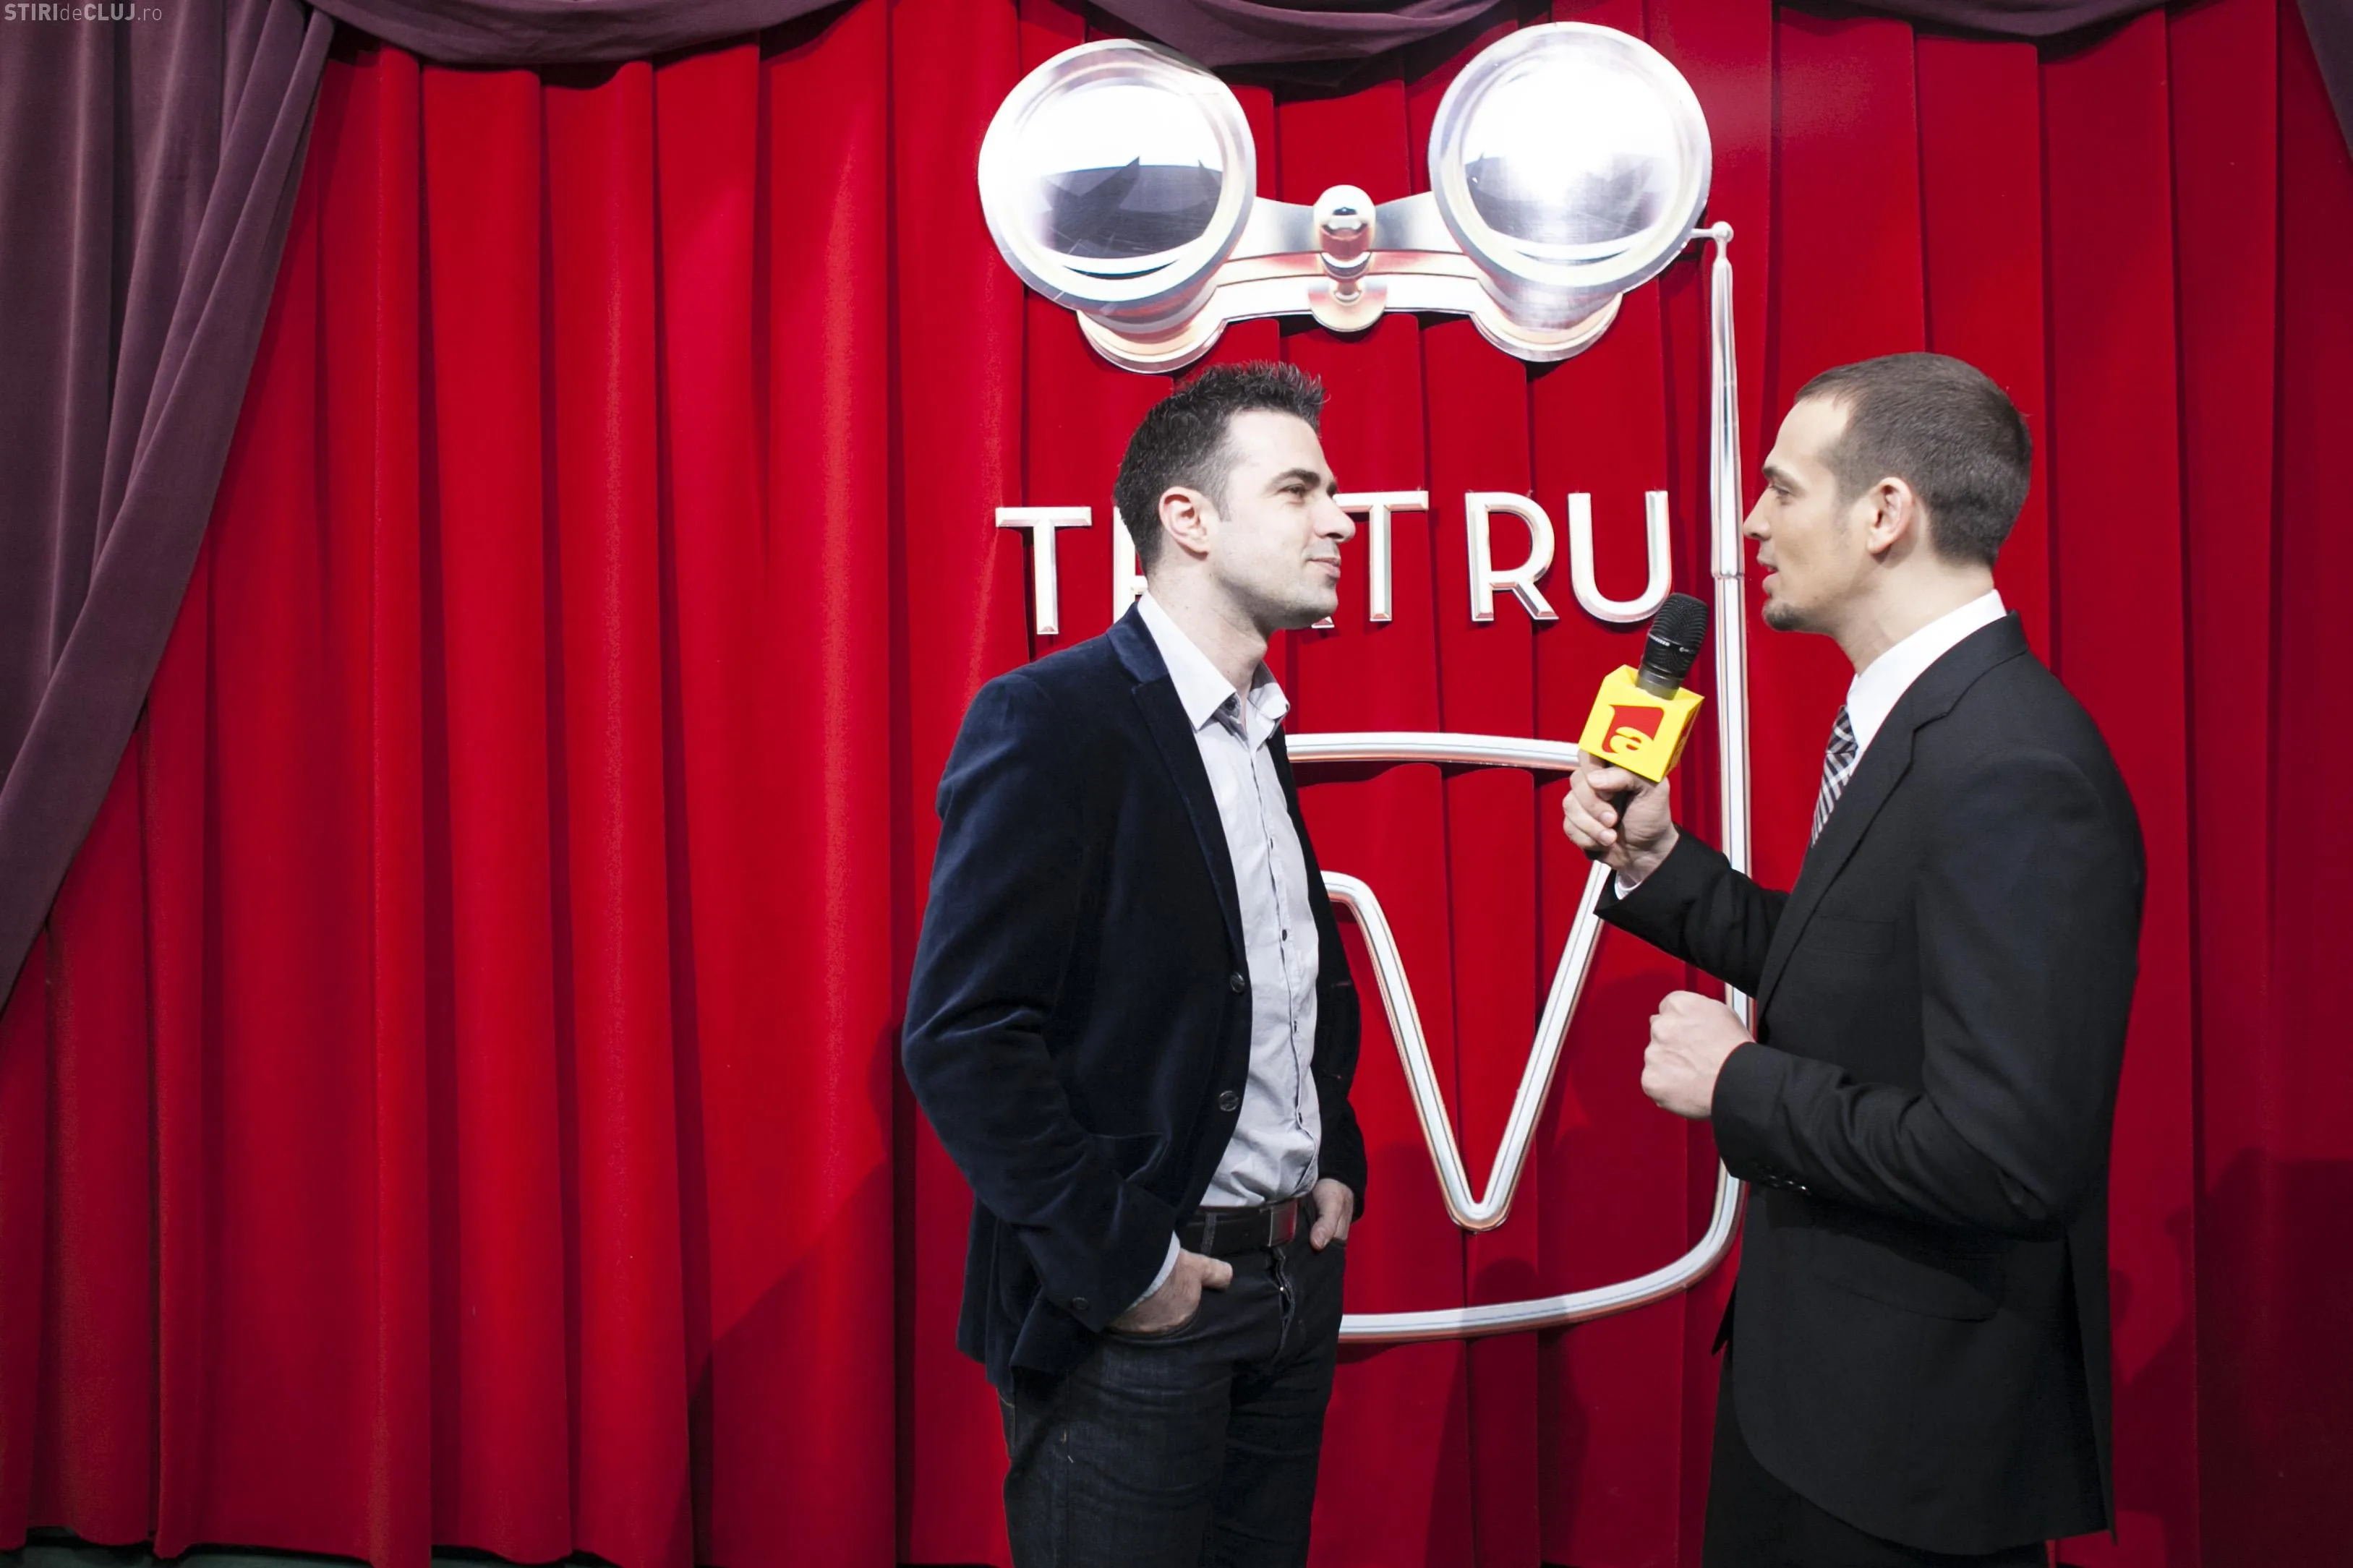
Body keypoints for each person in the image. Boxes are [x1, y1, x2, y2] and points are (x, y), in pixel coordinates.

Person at [1562, 353, 2143, 1565]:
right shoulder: (1925, 723)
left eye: (1781, 488)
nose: (1750, 522)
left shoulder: (2013, 764)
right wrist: (1659, 865)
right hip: (1820, 1404)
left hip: (1905, 1450)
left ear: (1885, 513)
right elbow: (1856, 975)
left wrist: (1738, 1084)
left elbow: (2005, 1160)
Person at [902, 361, 1367, 1568]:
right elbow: (963, 1036)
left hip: (1288, 1292)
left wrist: (1331, 1158)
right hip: (1138, 1313)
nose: (1340, 519)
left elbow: (1274, 974)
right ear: (1188, 519)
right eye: (1300, 490)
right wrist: (1127, 1266)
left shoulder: (1257, 724)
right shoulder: (1051, 718)